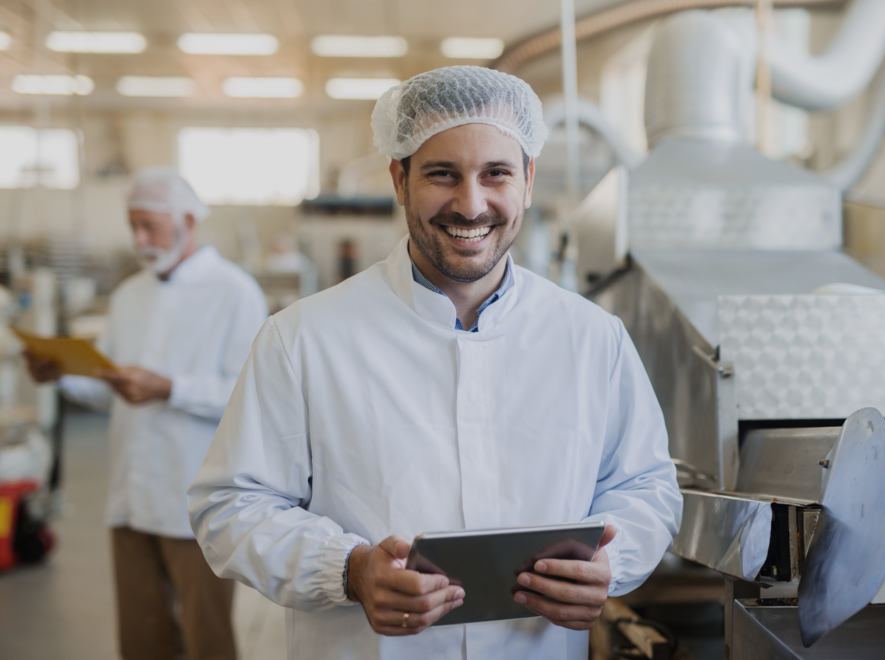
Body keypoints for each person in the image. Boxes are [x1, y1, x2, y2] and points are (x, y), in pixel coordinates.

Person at [188, 66, 682, 660]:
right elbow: (232, 505)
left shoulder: (592, 339)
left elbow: (645, 485)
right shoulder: (302, 339)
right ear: (399, 179)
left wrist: (613, 561)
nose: (470, 204)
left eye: (495, 173)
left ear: (527, 179)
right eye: (442, 174)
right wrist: (350, 569)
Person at [25, 168, 269, 660]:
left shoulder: (234, 292)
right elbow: (109, 386)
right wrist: (63, 375)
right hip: (131, 498)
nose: (138, 239)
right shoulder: (129, 294)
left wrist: (170, 388)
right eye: (132, 225)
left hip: (197, 502)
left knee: (209, 640)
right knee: (141, 638)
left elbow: (251, 396)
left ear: (186, 221)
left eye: (149, 226)